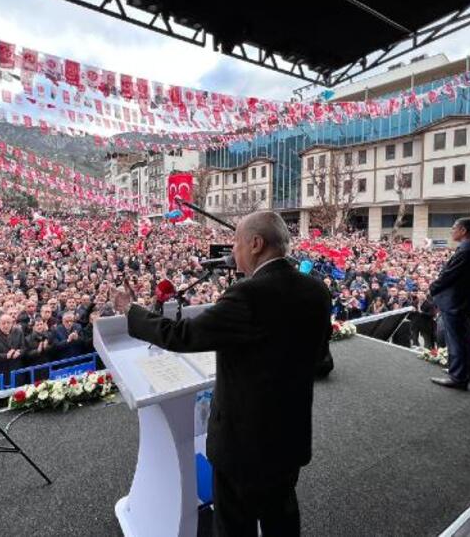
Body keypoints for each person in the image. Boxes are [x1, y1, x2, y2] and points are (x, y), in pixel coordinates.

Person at [120, 211, 331, 536]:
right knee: (282, 515)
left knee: (235, 524)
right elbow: (318, 359)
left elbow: (182, 335)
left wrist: (133, 314)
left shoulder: (248, 295)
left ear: (256, 244)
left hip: (243, 443)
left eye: (236, 242)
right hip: (290, 435)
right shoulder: (317, 291)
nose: (232, 251)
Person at [428, 218, 470, 390]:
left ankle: (458, 377)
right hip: (462, 300)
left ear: (463, 230)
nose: (451, 231)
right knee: (464, 338)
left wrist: (432, 288)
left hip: (455, 301)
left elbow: (448, 276)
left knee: (455, 340)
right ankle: (466, 371)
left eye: (453, 228)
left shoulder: (466, 251)